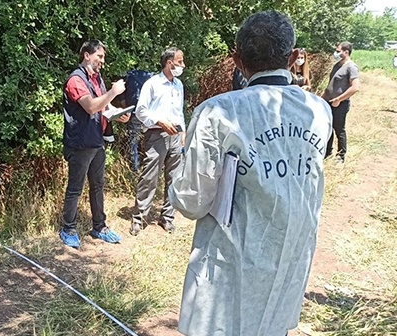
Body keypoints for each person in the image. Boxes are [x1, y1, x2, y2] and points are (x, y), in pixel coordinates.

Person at [168, 11, 332, 336]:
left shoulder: (218, 112)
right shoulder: (319, 111)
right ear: (293, 57)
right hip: (288, 261)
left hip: (229, 268)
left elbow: (191, 201)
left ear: (237, 59)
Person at [60, 39, 130, 249]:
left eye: (103, 57)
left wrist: (116, 115)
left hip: (97, 141)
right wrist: (114, 92)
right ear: (87, 55)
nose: (102, 61)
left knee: (98, 186)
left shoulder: (96, 78)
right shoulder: (75, 80)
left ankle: (99, 227)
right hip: (80, 144)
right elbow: (90, 107)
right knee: (75, 188)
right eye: (99, 56)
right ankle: (68, 229)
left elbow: (102, 106)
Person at [129, 48, 186, 236]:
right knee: (149, 177)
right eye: (179, 62)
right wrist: (160, 121)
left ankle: (167, 217)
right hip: (156, 135)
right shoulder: (152, 84)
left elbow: (179, 111)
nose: (182, 65)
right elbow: (141, 111)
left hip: (176, 136)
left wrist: (183, 131)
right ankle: (139, 218)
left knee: (175, 178)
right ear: (169, 63)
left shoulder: (179, 85)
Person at [322, 42, 361, 163]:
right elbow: (331, 85)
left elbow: (355, 87)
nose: (336, 53)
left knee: (339, 129)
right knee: (328, 128)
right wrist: (322, 99)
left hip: (340, 104)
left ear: (346, 52)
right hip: (328, 102)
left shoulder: (351, 67)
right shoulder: (337, 65)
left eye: (338, 51)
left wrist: (339, 99)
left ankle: (341, 155)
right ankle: (327, 152)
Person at [120, 69, 154, 172]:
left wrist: (127, 111)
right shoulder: (152, 76)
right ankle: (150, 169)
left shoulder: (128, 75)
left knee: (133, 142)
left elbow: (122, 98)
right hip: (149, 113)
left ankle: (134, 169)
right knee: (151, 141)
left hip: (134, 112)